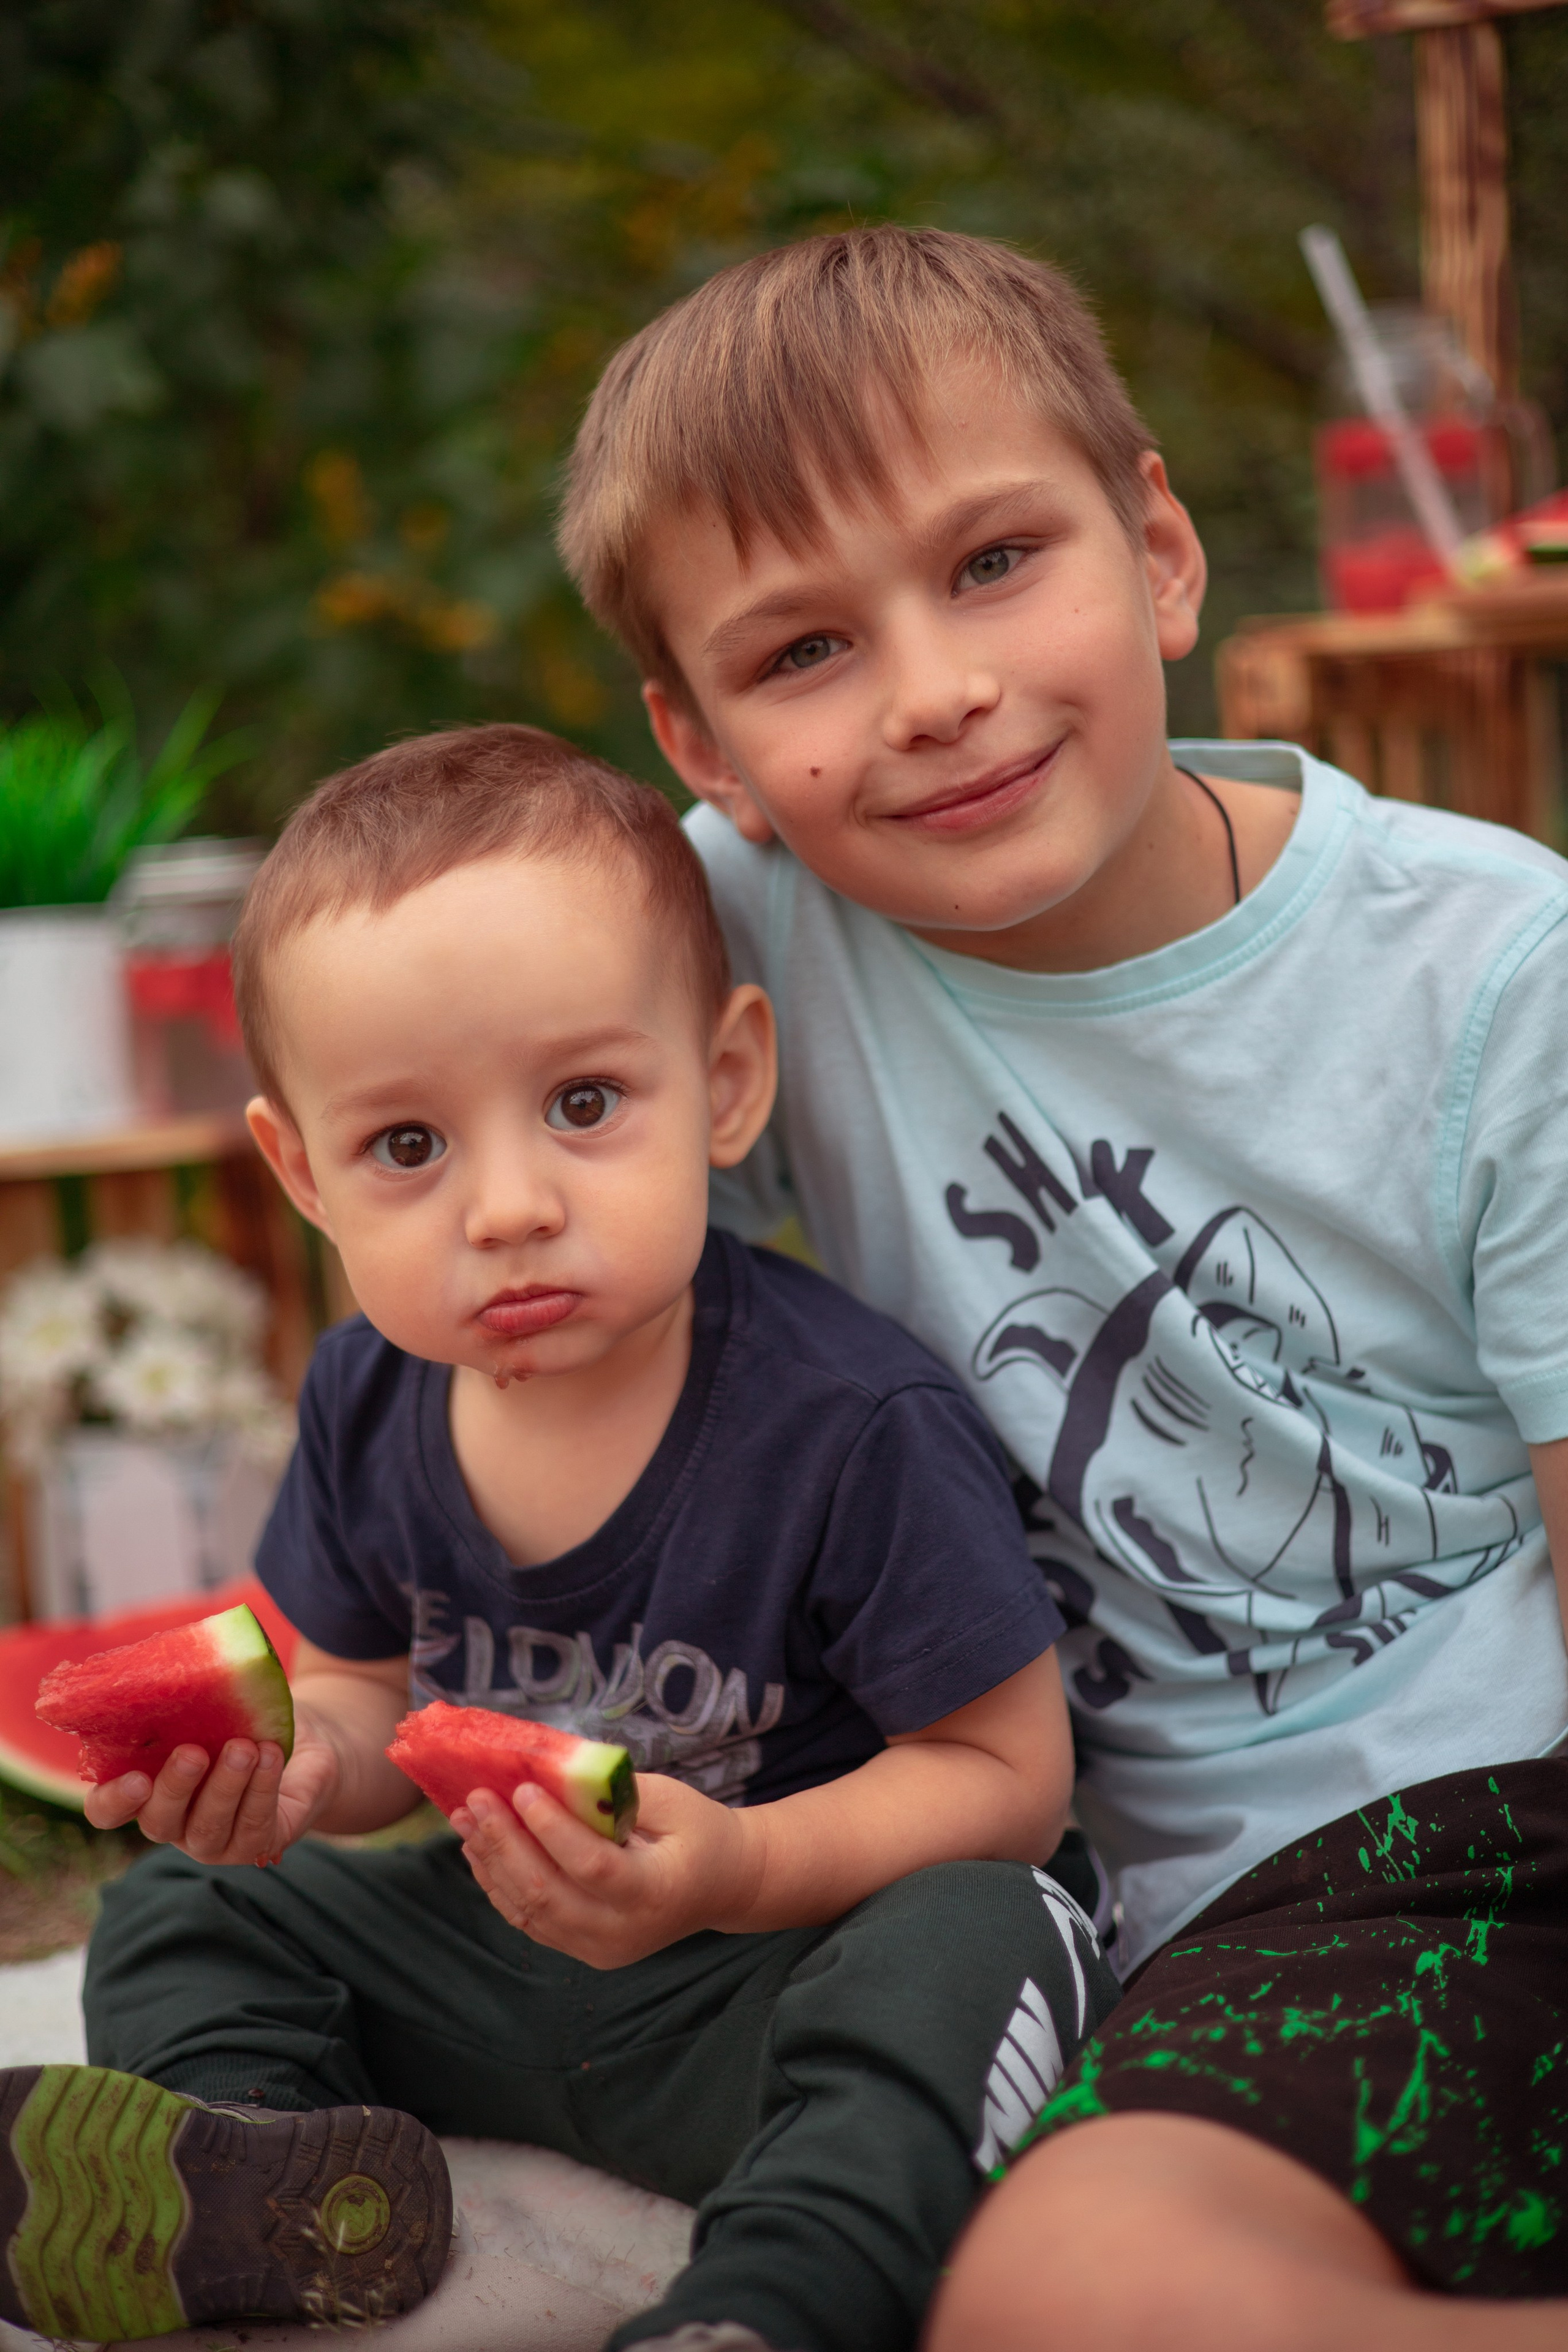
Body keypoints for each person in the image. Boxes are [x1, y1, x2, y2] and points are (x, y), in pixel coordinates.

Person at [556, 224, 1568, 2346]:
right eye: (803, 652)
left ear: (1163, 551)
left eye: (996, 562)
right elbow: (472, 1117)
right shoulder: (729, 939)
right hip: (1042, 1893)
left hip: (1476, 1830)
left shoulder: (1494, 971)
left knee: (1077, 2305)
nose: (934, 692)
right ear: (704, 740)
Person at [0, 723, 1117, 2352]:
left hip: (779, 1968)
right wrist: (306, 1774)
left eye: (584, 1102)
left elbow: (1009, 1780)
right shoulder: (366, 1396)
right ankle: (271, 2181)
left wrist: (737, 1869)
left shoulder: (849, 1422)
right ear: (301, 1171)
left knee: (984, 1941)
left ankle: (774, 2298)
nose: (509, 1204)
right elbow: (366, 1698)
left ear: (725, 1085)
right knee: (188, 1909)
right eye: (408, 1146)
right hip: (513, 1951)